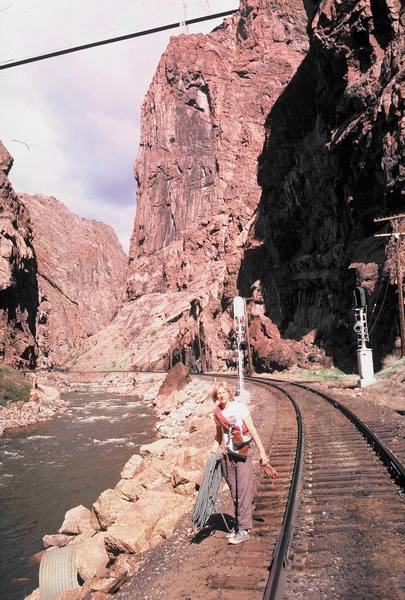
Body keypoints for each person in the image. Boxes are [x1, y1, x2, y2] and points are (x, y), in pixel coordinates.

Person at [209, 380, 269, 545]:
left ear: (229, 392)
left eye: (223, 392)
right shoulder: (217, 414)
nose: (221, 395)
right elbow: (218, 436)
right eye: (218, 393)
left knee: (242, 491)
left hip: (242, 454)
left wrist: (263, 453)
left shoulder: (239, 408)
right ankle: (240, 524)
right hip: (228, 456)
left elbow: (253, 429)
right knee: (236, 493)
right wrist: (212, 453)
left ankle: (243, 530)